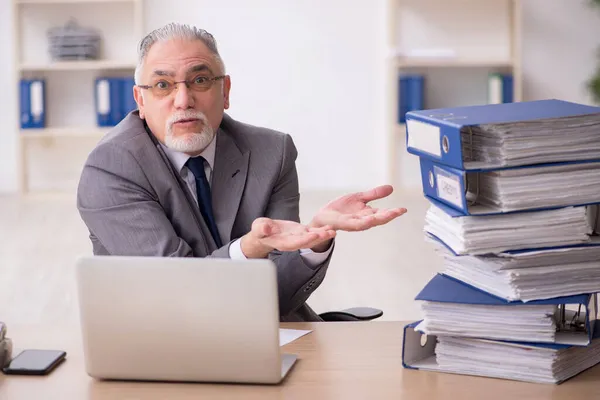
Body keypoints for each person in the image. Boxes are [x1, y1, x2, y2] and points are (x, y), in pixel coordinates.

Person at [76, 22, 407, 322]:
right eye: (163, 84)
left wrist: (314, 238)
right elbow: (175, 291)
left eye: (200, 80)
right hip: (163, 341)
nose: (183, 99)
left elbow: (276, 298)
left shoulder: (272, 152)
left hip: (269, 333)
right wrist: (248, 250)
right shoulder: (110, 168)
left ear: (226, 91)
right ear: (140, 101)